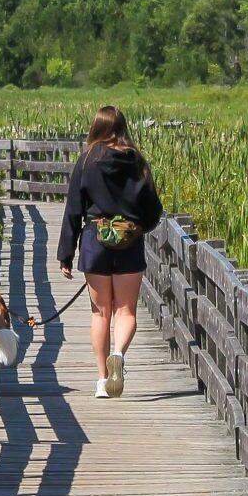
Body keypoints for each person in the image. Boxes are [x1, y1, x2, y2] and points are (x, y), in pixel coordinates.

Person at [56, 105, 163, 398]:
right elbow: (153, 209)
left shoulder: (88, 159)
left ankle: (103, 379)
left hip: (95, 240)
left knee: (100, 312)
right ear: (123, 126)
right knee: (126, 310)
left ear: (97, 128)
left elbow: (73, 209)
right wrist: (140, 227)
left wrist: (66, 252)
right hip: (129, 241)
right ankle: (119, 353)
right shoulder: (137, 161)